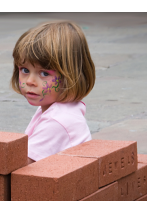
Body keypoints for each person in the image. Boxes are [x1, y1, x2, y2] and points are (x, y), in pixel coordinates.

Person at [11, 21, 95, 165]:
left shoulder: (57, 121)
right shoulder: (59, 108)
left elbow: (21, 165)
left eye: (44, 73)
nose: (30, 81)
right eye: (25, 70)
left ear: (70, 76)